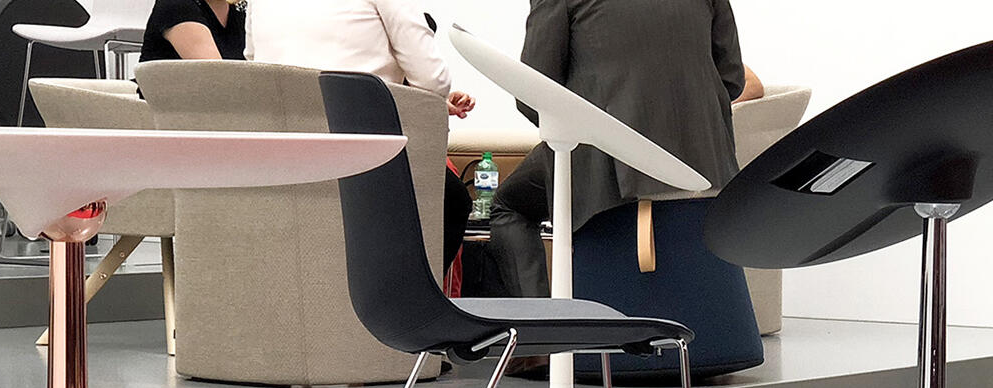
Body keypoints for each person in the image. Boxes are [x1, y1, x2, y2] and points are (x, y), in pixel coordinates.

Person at [490, 0, 750, 299]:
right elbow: (732, 79)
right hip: (704, 163)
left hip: (607, 165)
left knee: (508, 205)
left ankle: (540, 322)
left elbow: (533, 95)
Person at [245, 1, 475, 273]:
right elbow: (433, 80)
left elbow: (254, 64)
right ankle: (403, 294)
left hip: (279, 162)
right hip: (361, 158)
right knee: (454, 201)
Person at [139, 0, 246, 63]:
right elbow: (216, 74)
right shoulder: (177, 5)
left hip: (220, 93)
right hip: (171, 94)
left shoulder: (239, 10)